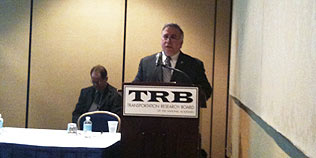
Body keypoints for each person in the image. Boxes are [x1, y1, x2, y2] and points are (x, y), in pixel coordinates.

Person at [133, 23, 212, 105]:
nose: (168, 41)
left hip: (182, 114)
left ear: (181, 43)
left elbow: (206, 91)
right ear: (161, 40)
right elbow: (134, 88)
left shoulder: (194, 65)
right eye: (165, 37)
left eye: (173, 37)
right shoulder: (146, 63)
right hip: (152, 114)